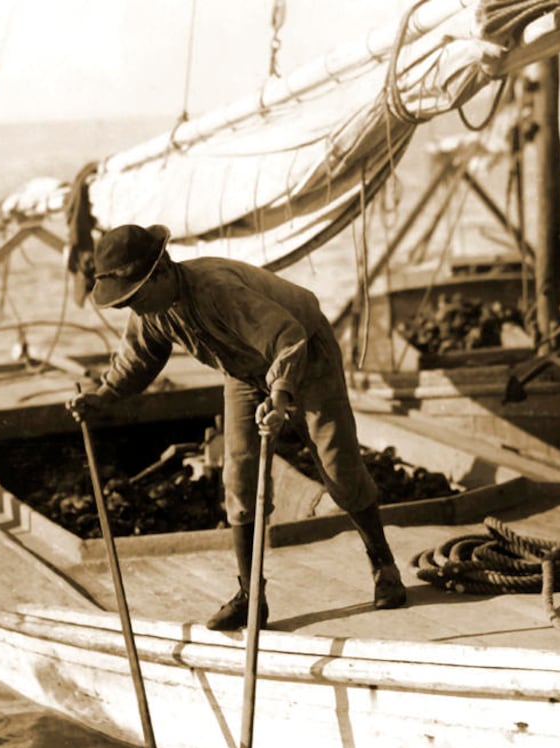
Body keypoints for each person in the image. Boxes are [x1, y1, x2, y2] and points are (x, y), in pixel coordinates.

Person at [68, 223, 406, 630]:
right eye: (125, 305)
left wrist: (280, 398)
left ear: (160, 271)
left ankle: (383, 565)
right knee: (239, 477)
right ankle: (250, 596)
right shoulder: (151, 309)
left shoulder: (216, 289)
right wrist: (102, 396)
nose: (133, 311)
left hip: (305, 353)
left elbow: (287, 337)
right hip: (244, 373)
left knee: (339, 467)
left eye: (134, 299)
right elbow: (138, 359)